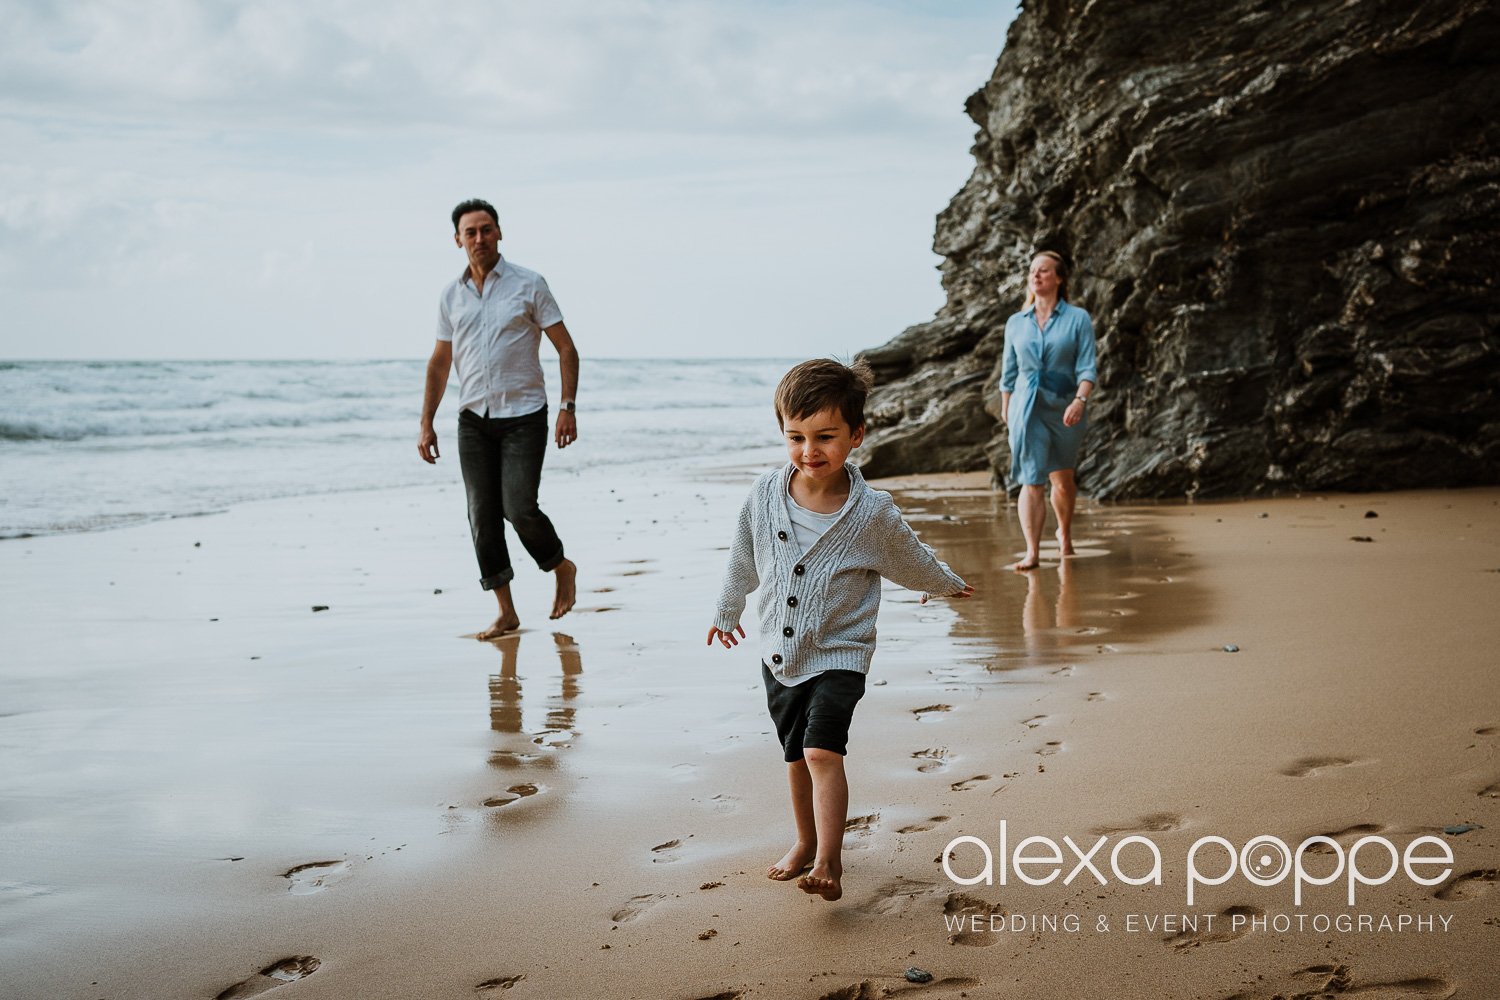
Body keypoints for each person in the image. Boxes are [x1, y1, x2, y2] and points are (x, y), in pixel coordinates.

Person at [707, 359, 974, 902]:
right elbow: (744, 559)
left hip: (841, 652)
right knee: (793, 755)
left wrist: (944, 583)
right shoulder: (763, 495)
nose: (810, 451)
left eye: (825, 437)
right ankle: (804, 841)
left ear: (856, 435)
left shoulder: (871, 512)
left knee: (822, 752)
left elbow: (909, 556)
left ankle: (830, 857)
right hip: (780, 652)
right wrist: (726, 609)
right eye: (796, 437)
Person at [418, 198, 579, 637]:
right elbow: (439, 361)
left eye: (486, 229)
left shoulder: (530, 284)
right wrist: (425, 421)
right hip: (473, 418)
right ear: (457, 240)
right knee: (481, 516)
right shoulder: (450, 296)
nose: (479, 238)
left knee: (519, 507)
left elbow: (566, 347)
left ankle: (560, 565)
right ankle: (506, 610)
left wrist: (568, 408)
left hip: (525, 414)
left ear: (499, 233)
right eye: (470, 232)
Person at [1000, 250, 1099, 571]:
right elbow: (1008, 374)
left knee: (1062, 477)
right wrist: (1007, 410)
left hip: (1066, 405)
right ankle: (1032, 552)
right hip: (1025, 408)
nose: (1036, 275)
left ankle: (1065, 534)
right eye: (1033, 271)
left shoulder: (1077, 318)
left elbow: (1087, 368)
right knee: (1032, 480)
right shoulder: (1016, 323)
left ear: (1059, 277)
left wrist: (1079, 401)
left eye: (1044, 271)